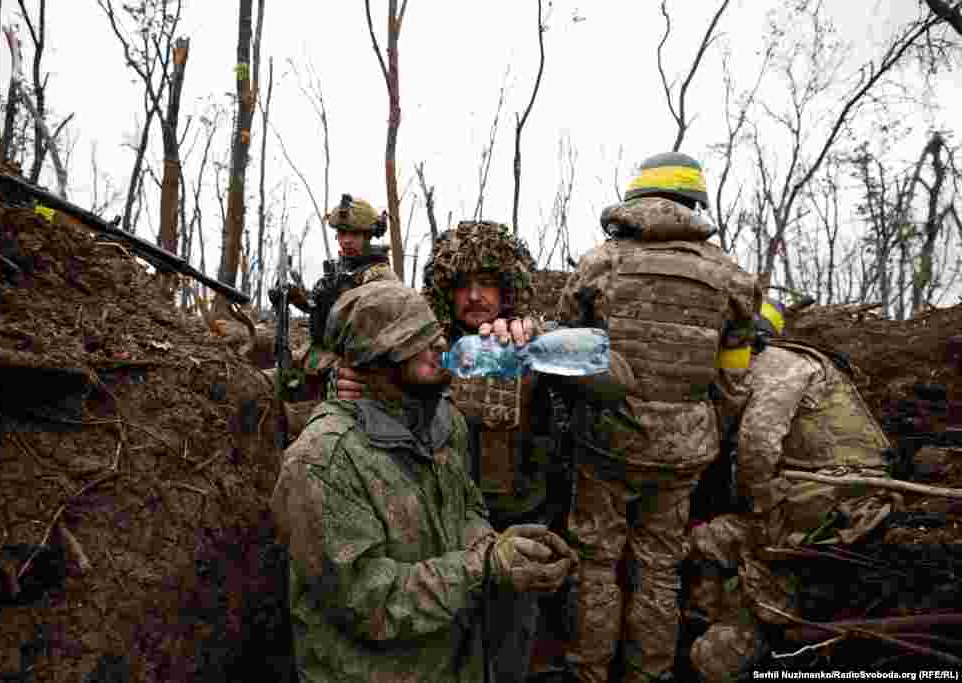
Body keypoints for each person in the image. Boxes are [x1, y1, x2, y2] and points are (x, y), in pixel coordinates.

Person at [335, 220, 635, 682]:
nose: (474, 296)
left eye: (487, 283)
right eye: (462, 285)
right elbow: (354, 394)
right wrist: (353, 382)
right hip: (436, 526)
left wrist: (540, 342)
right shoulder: (417, 345)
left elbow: (618, 379)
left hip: (518, 518)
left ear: (508, 286)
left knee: (510, 644)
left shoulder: (527, 338)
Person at [270, 279, 578, 683]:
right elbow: (367, 600)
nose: (438, 345)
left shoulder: (442, 424)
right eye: (415, 339)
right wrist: (482, 567)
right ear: (375, 359)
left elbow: (465, 510)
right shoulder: (323, 462)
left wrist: (500, 549)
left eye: (433, 331)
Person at [555, 151, 762, 683]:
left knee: (597, 563)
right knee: (661, 567)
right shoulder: (733, 278)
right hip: (682, 455)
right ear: (695, 203)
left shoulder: (600, 263)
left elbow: (567, 350)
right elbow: (735, 383)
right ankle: (648, 675)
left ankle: (588, 673)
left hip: (605, 445)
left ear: (637, 199)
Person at [686, 300, 899, 682]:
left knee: (705, 541)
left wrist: (760, 505)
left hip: (833, 493)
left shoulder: (780, 365)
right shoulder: (770, 365)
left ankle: (724, 637)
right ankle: (708, 614)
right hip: (822, 489)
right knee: (705, 541)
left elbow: (757, 444)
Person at [281, 193, 397, 437]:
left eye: (353, 234)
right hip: (323, 353)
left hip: (359, 365)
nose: (346, 241)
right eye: (342, 234)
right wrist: (294, 297)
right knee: (279, 377)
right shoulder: (339, 270)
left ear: (367, 236)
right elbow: (318, 306)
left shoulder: (379, 276)